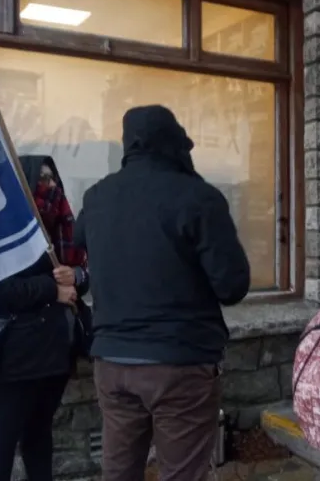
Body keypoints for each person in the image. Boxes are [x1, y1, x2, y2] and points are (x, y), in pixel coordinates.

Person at [75, 104, 251, 481]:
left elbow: (78, 239)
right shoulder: (198, 197)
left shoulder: (96, 198)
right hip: (179, 363)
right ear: (174, 145)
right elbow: (232, 286)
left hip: (113, 361)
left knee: (118, 474)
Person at [0, 155, 91, 481]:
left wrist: (77, 277)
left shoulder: (61, 225)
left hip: (53, 351)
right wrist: (51, 289)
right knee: (4, 434)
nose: (50, 185)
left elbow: (83, 272)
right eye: (40, 179)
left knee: (39, 434)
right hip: (11, 354)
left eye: (52, 177)